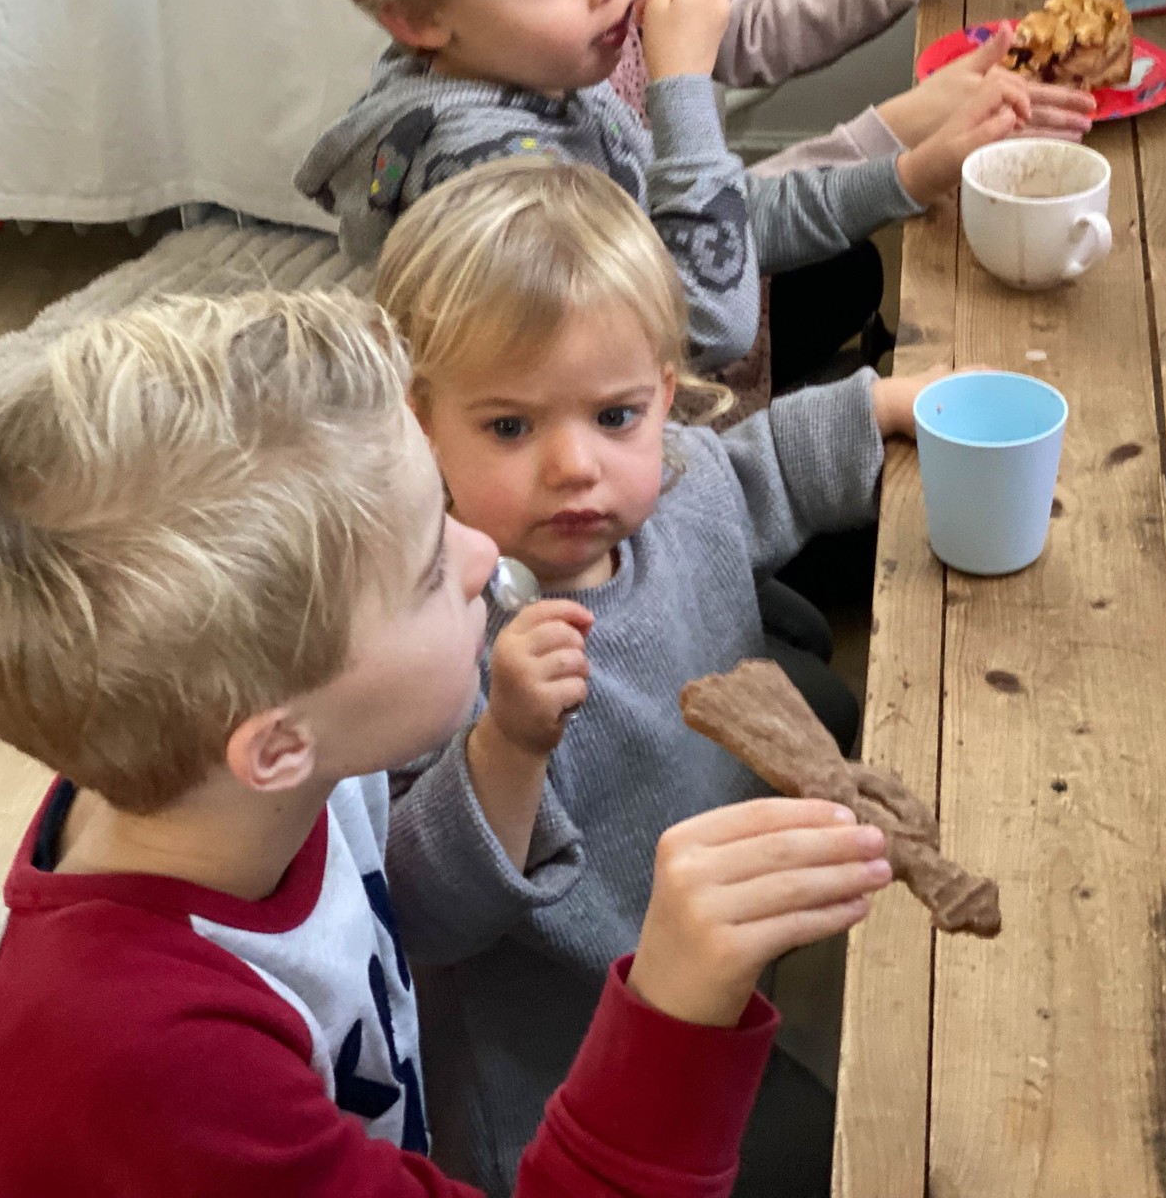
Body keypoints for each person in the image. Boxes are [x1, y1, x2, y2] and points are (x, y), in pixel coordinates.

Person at [0, 287, 895, 1197]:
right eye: (432, 566)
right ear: (275, 748)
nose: (484, 556)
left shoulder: (243, 771)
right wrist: (672, 1011)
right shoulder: (141, 1073)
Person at [374, 158, 950, 1197]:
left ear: (665, 391)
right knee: (844, 1143)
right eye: (510, 427)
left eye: (616, 415)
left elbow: (755, 467)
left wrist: (896, 403)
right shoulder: (431, 635)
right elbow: (426, 915)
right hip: (572, 1080)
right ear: (421, 422)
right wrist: (503, 746)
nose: (575, 466)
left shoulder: (674, 493)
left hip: (713, 953)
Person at [289, 0, 1032, 376]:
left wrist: (910, 171)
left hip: (670, 364)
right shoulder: (491, 178)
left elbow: (731, 213)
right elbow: (704, 325)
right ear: (418, 20)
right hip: (631, 454)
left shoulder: (560, 75)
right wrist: (680, 90)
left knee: (855, 274)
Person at [563, 0, 1096, 388]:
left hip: (708, 256)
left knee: (853, 272)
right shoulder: (558, 69)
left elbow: (748, 33)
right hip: (676, 360)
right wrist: (899, 137)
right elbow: (693, 278)